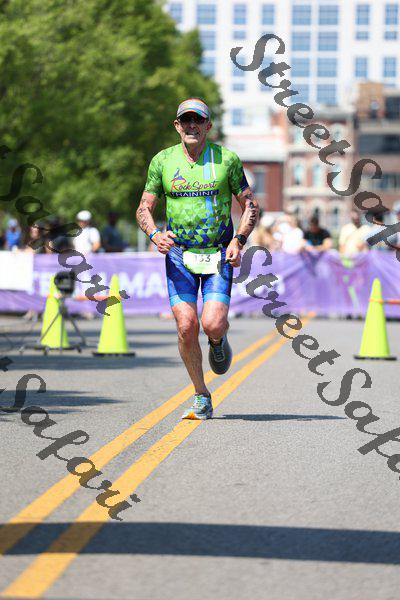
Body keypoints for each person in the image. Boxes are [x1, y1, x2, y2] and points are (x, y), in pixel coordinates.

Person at [136, 97, 259, 420]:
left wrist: (239, 240)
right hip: (179, 255)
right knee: (186, 325)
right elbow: (144, 207)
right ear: (177, 125)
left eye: (198, 120)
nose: (192, 125)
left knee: (211, 323)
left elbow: (250, 205)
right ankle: (201, 394)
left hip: (218, 253)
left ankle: (217, 340)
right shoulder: (163, 161)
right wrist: (155, 234)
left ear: (208, 126)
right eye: (186, 120)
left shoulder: (227, 160)